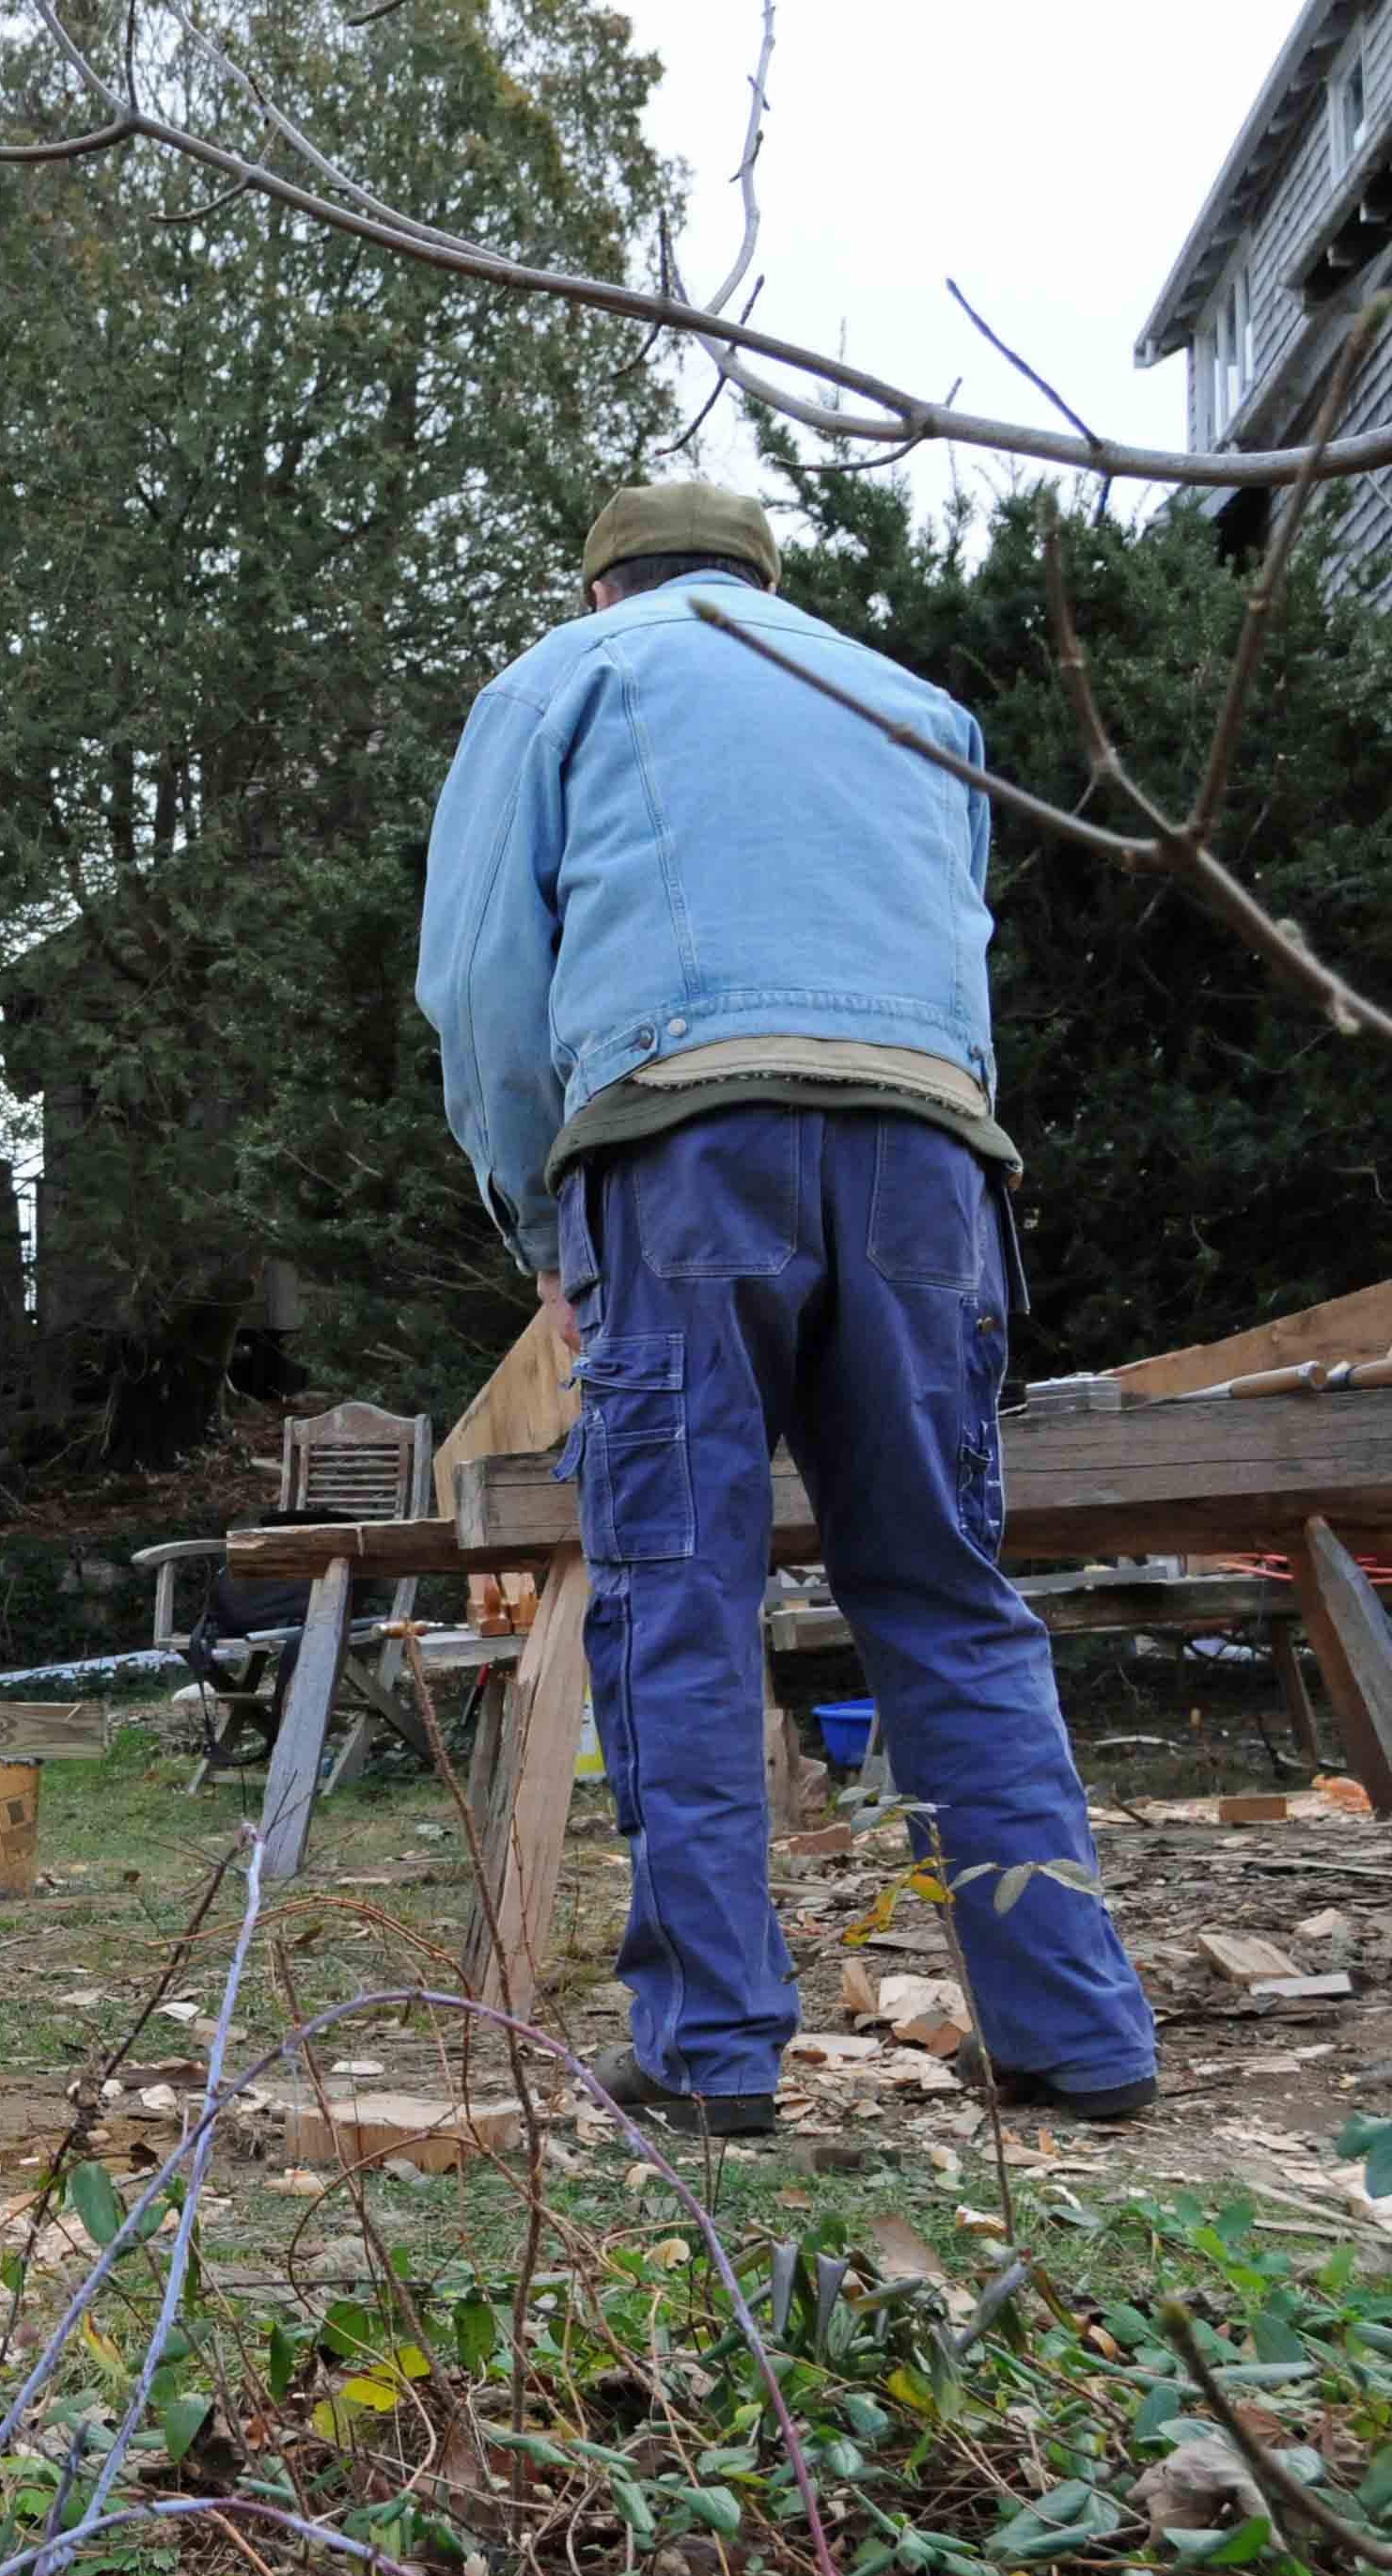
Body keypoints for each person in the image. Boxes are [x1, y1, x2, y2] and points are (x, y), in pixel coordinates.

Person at [415, 480, 1157, 2135]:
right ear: (771, 583)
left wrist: (539, 1205)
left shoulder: (565, 678)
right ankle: (1078, 2036)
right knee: (943, 1588)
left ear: (604, 580)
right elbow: (953, 958)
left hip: (681, 1146)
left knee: (677, 1583)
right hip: (924, 1159)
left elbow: (478, 980)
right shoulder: (911, 706)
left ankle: (708, 2050)